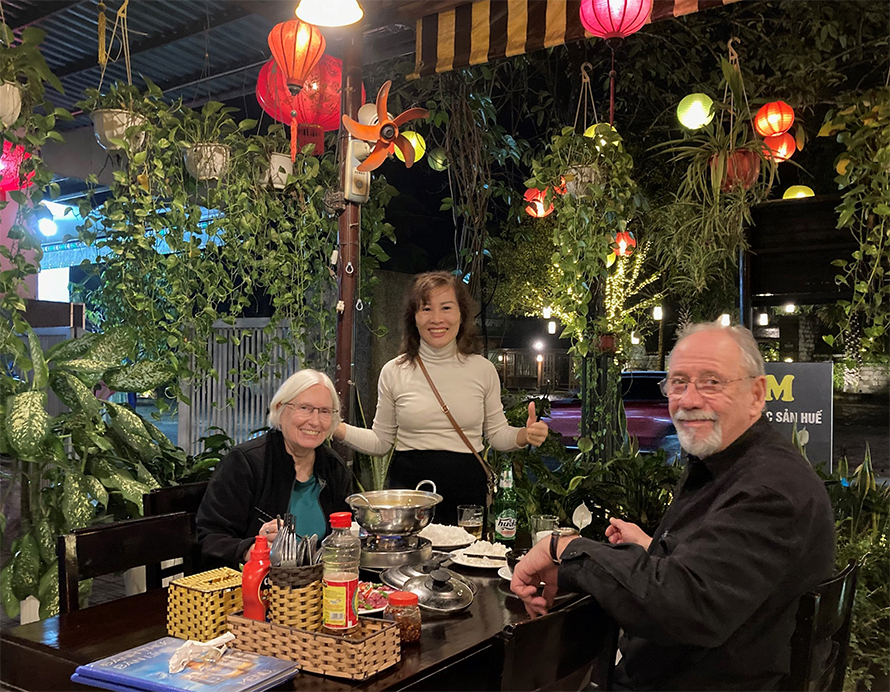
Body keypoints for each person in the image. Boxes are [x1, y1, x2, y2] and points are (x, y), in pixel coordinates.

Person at [511, 322, 835, 691]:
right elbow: (716, 573)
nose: (689, 399)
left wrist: (566, 550)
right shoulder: (729, 464)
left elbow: (686, 606)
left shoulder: (770, 489)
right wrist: (650, 549)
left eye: (712, 381)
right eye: (678, 382)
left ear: (757, 394)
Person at [333, 271, 549, 524]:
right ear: (414, 317)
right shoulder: (394, 371)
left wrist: (525, 435)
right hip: (409, 495)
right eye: (426, 309)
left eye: (446, 307)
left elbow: (497, 435)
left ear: (461, 314)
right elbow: (381, 442)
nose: (437, 319)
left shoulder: (482, 370)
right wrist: (335, 428)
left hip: (467, 491)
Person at [197, 369, 352, 568]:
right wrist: (252, 549)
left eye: (324, 411)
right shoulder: (245, 463)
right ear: (280, 410)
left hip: (318, 588)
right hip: (254, 587)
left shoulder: (333, 467)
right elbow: (210, 537)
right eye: (304, 408)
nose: (314, 421)